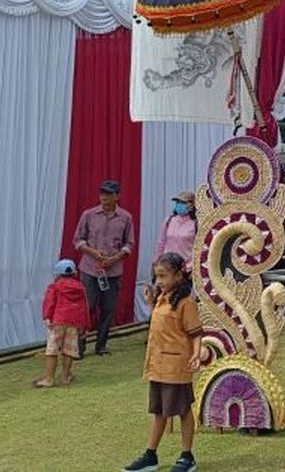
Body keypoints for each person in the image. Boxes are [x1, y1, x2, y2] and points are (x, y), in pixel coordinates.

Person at [124, 252, 205, 472]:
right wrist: (151, 302)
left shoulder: (186, 302)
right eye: (157, 276)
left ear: (179, 275)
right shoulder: (162, 297)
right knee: (158, 411)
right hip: (157, 366)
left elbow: (196, 333)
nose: (159, 281)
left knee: (183, 411)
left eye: (163, 276)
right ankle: (151, 455)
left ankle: (187, 456)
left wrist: (196, 354)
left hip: (176, 366)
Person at [73, 179, 135, 356]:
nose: (104, 198)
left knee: (108, 309)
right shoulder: (89, 215)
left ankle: (101, 345)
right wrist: (92, 252)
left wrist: (116, 258)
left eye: (108, 194)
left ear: (117, 196)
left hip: (113, 271)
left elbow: (129, 244)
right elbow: (77, 240)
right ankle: (79, 346)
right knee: (87, 308)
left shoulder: (125, 217)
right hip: (90, 270)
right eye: (102, 194)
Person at [34, 259, 89, 389]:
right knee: (69, 350)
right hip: (73, 322)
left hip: (58, 320)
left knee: (52, 350)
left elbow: (49, 303)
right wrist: (86, 325)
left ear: (58, 274)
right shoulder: (80, 288)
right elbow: (85, 307)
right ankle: (65, 377)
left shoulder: (54, 287)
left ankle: (49, 379)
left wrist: (47, 317)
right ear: (74, 273)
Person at [154, 191, 198, 270]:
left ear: (191, 205)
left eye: (183, 202)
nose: (179, 204)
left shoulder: (196, 223)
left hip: (186, 268)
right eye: (177, 202)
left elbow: (199, 247)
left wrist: (193, 267)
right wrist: (156, 261)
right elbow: (161, 242)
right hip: (167, 266)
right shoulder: (169, 220)